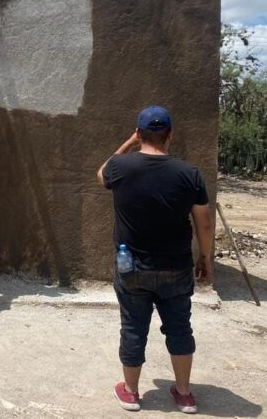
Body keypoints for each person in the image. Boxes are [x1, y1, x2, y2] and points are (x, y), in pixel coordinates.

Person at [96, 105, 214, 414]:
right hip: (176, 266)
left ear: (139, 133)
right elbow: (204, 222)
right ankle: (185, 394)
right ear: (170, 135)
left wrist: (129, 143)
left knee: (134, 328)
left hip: (131, 266)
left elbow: (101, 173)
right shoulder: (189, 173)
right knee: (179, 328)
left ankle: (132, 392)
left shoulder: (120, 167)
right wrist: (205, 257)